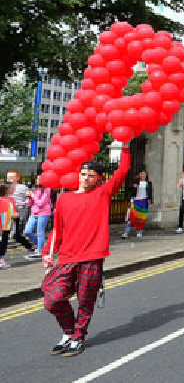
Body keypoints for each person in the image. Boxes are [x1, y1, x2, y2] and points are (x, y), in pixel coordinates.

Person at [42, 147, 131, 357]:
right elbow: (57, 229)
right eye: (83, 174)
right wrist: (48, 252)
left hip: (92, 257)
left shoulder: (103, 193)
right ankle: (69, 331)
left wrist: (125, 145)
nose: (85, 178)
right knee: (52, 299)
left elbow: (123, 170)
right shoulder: (64, 198)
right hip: (66, 257)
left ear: (99, 178)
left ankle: (78, 337)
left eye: (91, 175)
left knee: (85, 300)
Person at [5, 171, 37, 256]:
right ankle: (29, 246)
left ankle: (30, 246)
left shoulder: (22, 187)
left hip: (18, 212)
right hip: (7, 212)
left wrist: (21, 204)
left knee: (16, 234)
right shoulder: (6, 187)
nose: (9, 179)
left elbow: (30, 198)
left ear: (17, 178)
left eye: (11, 177)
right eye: (8, 177)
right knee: (10, 233)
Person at [122, 170, 153, 239]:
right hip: (135, 200)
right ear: (139, 175)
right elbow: (129, 190)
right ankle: (126, 232)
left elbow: (150, 193)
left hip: (143, 201)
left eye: (144, 174)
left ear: (146, 175)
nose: (142, 175)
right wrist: (134, 187)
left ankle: (139, 231)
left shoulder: (148, 183)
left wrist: (150, 202)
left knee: (141, 218)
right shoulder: (135, 182)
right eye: (141, 174)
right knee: (130, 216)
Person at [25, 184, 53, 259]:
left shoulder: (47, 190)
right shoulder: (36, 189)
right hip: (34, 212)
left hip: (44, 213)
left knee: (40, 232)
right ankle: (41, 246)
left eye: (39, 179)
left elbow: (41, 203)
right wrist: (30, 197)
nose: (37, 181)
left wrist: (33, 195)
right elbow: (31, 204)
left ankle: (40, 250)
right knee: (27, 231)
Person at [0, 184, 16, 269]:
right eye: (10, 189)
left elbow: (13, 211)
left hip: (7, 224)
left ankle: (2, 259)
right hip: (2, 225)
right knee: (2, 243)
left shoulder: (11, 200)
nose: (12, 190)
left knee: (4, 242)